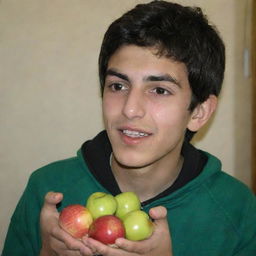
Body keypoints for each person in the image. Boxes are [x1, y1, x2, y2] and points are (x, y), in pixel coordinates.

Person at [2, 1, 256, 255]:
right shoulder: (48, 189)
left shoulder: (237, 208)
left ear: (199, 112)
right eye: (118, 86)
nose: (130, 109)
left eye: (159, 90)